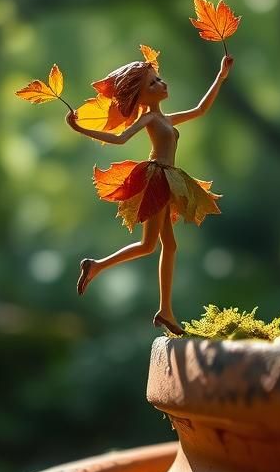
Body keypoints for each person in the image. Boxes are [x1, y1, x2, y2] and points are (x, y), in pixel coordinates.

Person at [65, 53, 234, 335]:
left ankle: (164, 309)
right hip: (156, 180)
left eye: (158, 78)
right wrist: (79, 128)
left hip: (168, 179)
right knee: (151, 246)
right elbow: (120, 138)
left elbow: (200, 110)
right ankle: (99, 267)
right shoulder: (150, 119)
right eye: (152, 83)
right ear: (140, 97)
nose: (161, 83)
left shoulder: (165, 118)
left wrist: (221, 76)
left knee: (166, 246)